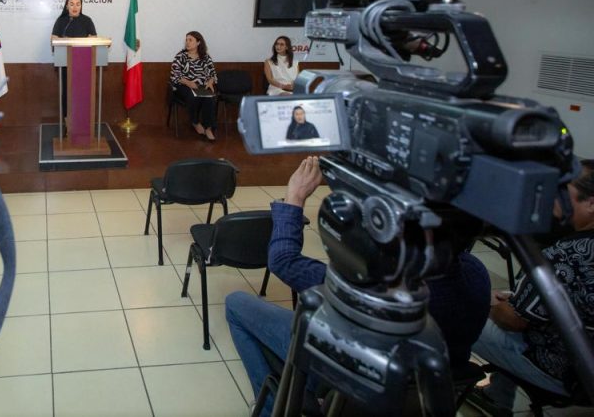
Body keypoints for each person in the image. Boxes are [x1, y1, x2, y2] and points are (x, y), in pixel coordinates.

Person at [225, 157, 491, 415]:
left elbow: (283, 260)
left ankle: (269, 408)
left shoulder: (374, 287)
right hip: (421, 392)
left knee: (236, 304)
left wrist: (295, 197)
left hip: (345, 377)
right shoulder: (478, 275)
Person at [469, 159, 594, 415]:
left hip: (566, 371)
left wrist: (491, 304)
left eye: (563, 192)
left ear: (591, 204)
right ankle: (496, 395)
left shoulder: (565, 255)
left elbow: (512, 320)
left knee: (455, 311)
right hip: (584, 365)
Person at [169, 31, 218, 141]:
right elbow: (174, 75)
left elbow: (213, 74)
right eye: (186, 40)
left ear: (198, 42)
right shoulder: (180, 56)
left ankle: (208, 128)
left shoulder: (205, 57)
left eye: (190, 40)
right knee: (193, 96)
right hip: (184, 85)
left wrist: (210, 82)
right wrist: (188, 83)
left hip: (202, 86)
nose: (187, 42)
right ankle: (195, 122)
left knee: (210, 98)